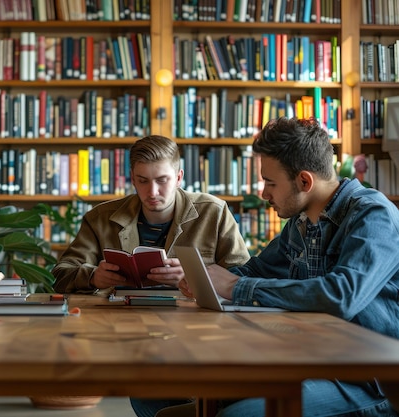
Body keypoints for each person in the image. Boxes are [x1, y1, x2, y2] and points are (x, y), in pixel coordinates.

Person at [176, 117, 399, 417]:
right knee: (163, 402)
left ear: (304, 181)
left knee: (236, 415)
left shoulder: (373, 216)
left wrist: (233, 286)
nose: (264, 193)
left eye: (270, 182)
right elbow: (257, 271)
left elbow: (341, 296)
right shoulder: (301, 221)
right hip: (309, 360)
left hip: (370, 379)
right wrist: (203, 280)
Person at [51, 134, 250, 417]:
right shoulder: (100, 217)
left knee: (167, 394)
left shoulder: (213, 212)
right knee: (147, 393)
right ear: (132, 178)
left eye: (162, 180)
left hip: (197, 330)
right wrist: (94, 277)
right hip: (128, 328)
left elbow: (243, 276)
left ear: (179, 176)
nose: (152, 191)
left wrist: (197, 276)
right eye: (142, 180)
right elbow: (62, 274)